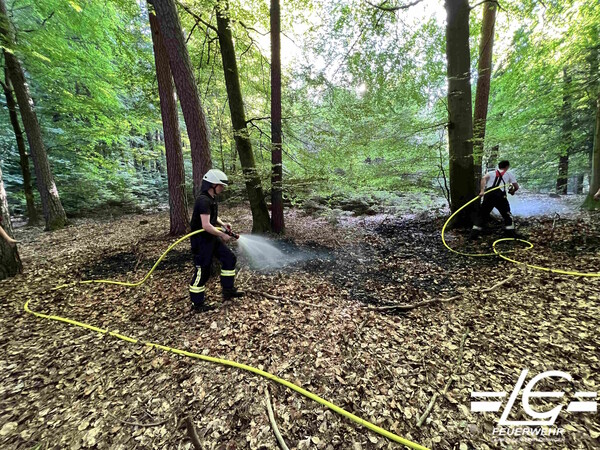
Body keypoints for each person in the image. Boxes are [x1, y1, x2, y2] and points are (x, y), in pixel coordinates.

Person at [189, 169, 244, 312]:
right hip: (201, 241)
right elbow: (206, 225)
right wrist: (222, 235)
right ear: (213, 185)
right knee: (203, 271)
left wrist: (222, 224)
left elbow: (212, 216)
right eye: (221, 185)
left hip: (211, 238)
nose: (223, 188)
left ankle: (228, 290)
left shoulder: (211, 198)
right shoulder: (203, 200)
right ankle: (197, 304)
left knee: (229, 258)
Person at [471, 160, 520, 238]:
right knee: (506, 214)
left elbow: (483, 178)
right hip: (500, 196)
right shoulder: (509, 174)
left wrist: (482, 191)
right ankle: (510, 233)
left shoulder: (491, 173)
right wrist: (512, 191)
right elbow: (516, 187)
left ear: (499, 166)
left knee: (482, 214)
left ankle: (474, 234)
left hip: (489, 195)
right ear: (507, 167)